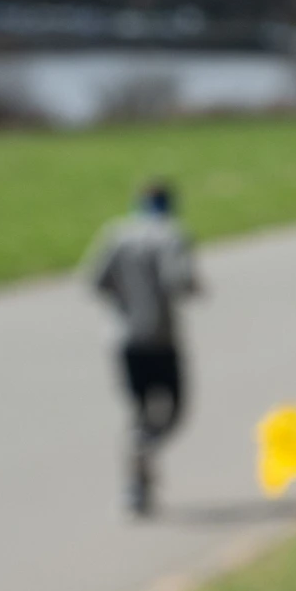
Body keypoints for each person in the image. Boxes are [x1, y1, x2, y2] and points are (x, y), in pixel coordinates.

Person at [84, 180, 201, 516]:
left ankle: (136, 483)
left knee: (138, 414)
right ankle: (146, 453)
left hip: (124, 340)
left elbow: (94, 282)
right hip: (161, 339)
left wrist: (125, 303)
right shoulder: (171, 234)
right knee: (174, 411)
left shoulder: (116, 234)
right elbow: (179, 282)